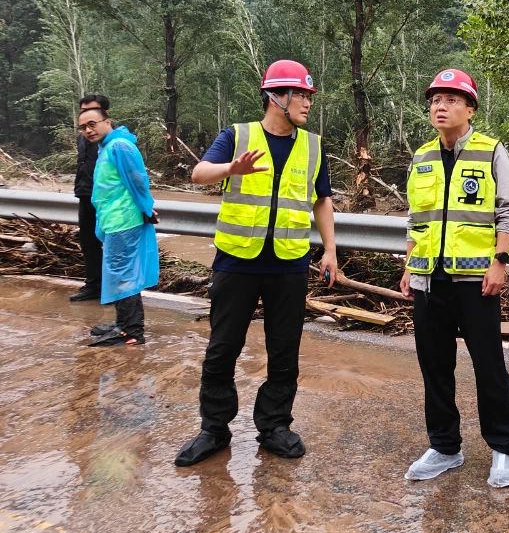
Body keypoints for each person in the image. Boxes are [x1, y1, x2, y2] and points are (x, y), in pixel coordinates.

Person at [174, 60, 339, 467]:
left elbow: (322, 199)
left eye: (308, 95)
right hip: (237, 262)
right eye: (299, 94)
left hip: (288, 264)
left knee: (285, 350)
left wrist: (331, 250)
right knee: (222, 349)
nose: (306, 103)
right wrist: (232, 167)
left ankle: (274, 427)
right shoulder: (237, 135)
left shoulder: (313, 145)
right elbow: (199, 174)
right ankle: (214, 429)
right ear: (275, 97)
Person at [399, 68, 509, 489]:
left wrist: (499, 261)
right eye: (435, 99)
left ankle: (503, 448)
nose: (440, 106)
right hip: (428, 281)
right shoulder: (422, 157)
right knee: (434, 366)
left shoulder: (491, 151)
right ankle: (445, 447)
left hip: (475, 282)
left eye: (451, 99)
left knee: (489, 366)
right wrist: (408, 266)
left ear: (470, 108)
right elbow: (417, 219)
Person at [79, 104, 159, 347]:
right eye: (83, 127)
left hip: (123, 220)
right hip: (113, 219)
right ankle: (123, 323)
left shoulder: (120, 146)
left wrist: (147, 208)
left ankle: (131, 331)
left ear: (107, 121)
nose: (88, 130)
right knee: (118, 272)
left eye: (92, 124)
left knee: (123, 273)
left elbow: (137, 180)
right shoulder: (108, 146)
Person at [71, 93, 109, 304]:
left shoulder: (113, 141)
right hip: (85, 195)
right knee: (88, 243)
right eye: (82, 112)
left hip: (105, 199)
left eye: (90, 112)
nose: (86, 119)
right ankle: (94, 286)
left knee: (111, 245)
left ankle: (114, 291)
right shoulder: (83, 137)